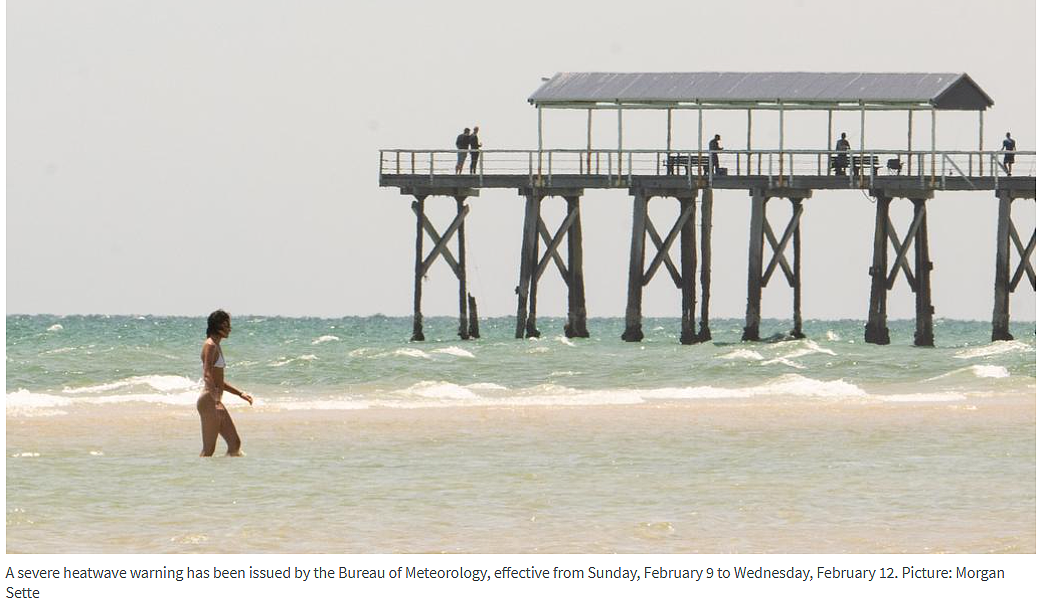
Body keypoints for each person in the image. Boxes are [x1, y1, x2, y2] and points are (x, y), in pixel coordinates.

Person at [197, 310, 252, 456]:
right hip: (209, 401)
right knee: (208, 450)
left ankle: (225, 477)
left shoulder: (216, 345)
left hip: (214, 400)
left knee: (235, 444)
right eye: (226, 325)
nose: (229, 329)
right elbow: (207, 374)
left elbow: (218, 381)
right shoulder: (210, 345)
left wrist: (240, 393)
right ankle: (199, 476)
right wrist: (216, 402)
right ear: (217, 326)